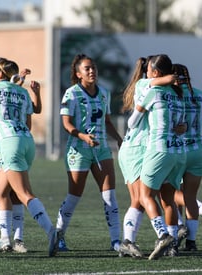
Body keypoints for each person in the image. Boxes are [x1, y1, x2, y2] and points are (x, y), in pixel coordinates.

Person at [0, 58, 59, 257]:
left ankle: (51, 232)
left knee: (23, 194)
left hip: (8, 142)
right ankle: (4, 239)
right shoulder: (22, 92)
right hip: (27, 141)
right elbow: (30, 117)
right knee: (1, 192)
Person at [55, 54, 123, 253]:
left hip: (101, 149)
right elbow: (67, 124)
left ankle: (116, 242)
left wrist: (119, 139)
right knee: (74, 196)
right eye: (87, 68)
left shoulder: (104, 93)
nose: (92, 71)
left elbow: (107, 122)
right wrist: (83, 137)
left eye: (93, 67)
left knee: (110, 195)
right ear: (78, 74)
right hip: (79, 150)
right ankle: (58, 236)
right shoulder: (71, 94)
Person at [128, 54, 186, 260]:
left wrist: (141, 111)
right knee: (168, 199)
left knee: (145, 196)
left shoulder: (152, 90)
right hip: (179, 152)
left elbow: (132, 123)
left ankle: (162, 235)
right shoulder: (178, 94)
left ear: (155, 73)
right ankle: (172, 245)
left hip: (158, 149)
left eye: (150, 70)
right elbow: (183, 125)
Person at [118, 56, 176, 258]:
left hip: (149, 149)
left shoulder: (163, 91)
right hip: (134, 147)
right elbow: (159, 81)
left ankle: (128, 242)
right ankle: (131, 241)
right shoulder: (145, 84)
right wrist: (172, 77)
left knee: (144, 199)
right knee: (139, 199)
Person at [170, 63, 202, 252]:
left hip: (178, 150)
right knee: (189, 195)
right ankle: (191, 242)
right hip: (197, 150)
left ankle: (177, 233)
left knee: (169, 194)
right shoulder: (200, 94)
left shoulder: (172, 94)